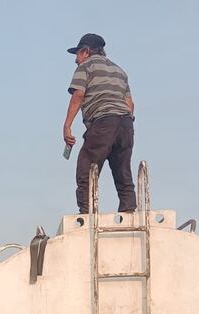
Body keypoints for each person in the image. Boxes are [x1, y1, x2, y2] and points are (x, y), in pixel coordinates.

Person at [62, 33, 137, 213]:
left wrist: (67, 126)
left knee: (86, 168)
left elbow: (78, 95)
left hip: (103, 122)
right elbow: (130, 104)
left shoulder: (86, 66)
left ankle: (86, 213)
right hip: (126, 123)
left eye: (77, 54)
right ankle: (128, 210)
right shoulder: (119, 71)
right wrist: (123, 122)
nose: (76, 60)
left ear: (86, 51)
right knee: (123, 171)